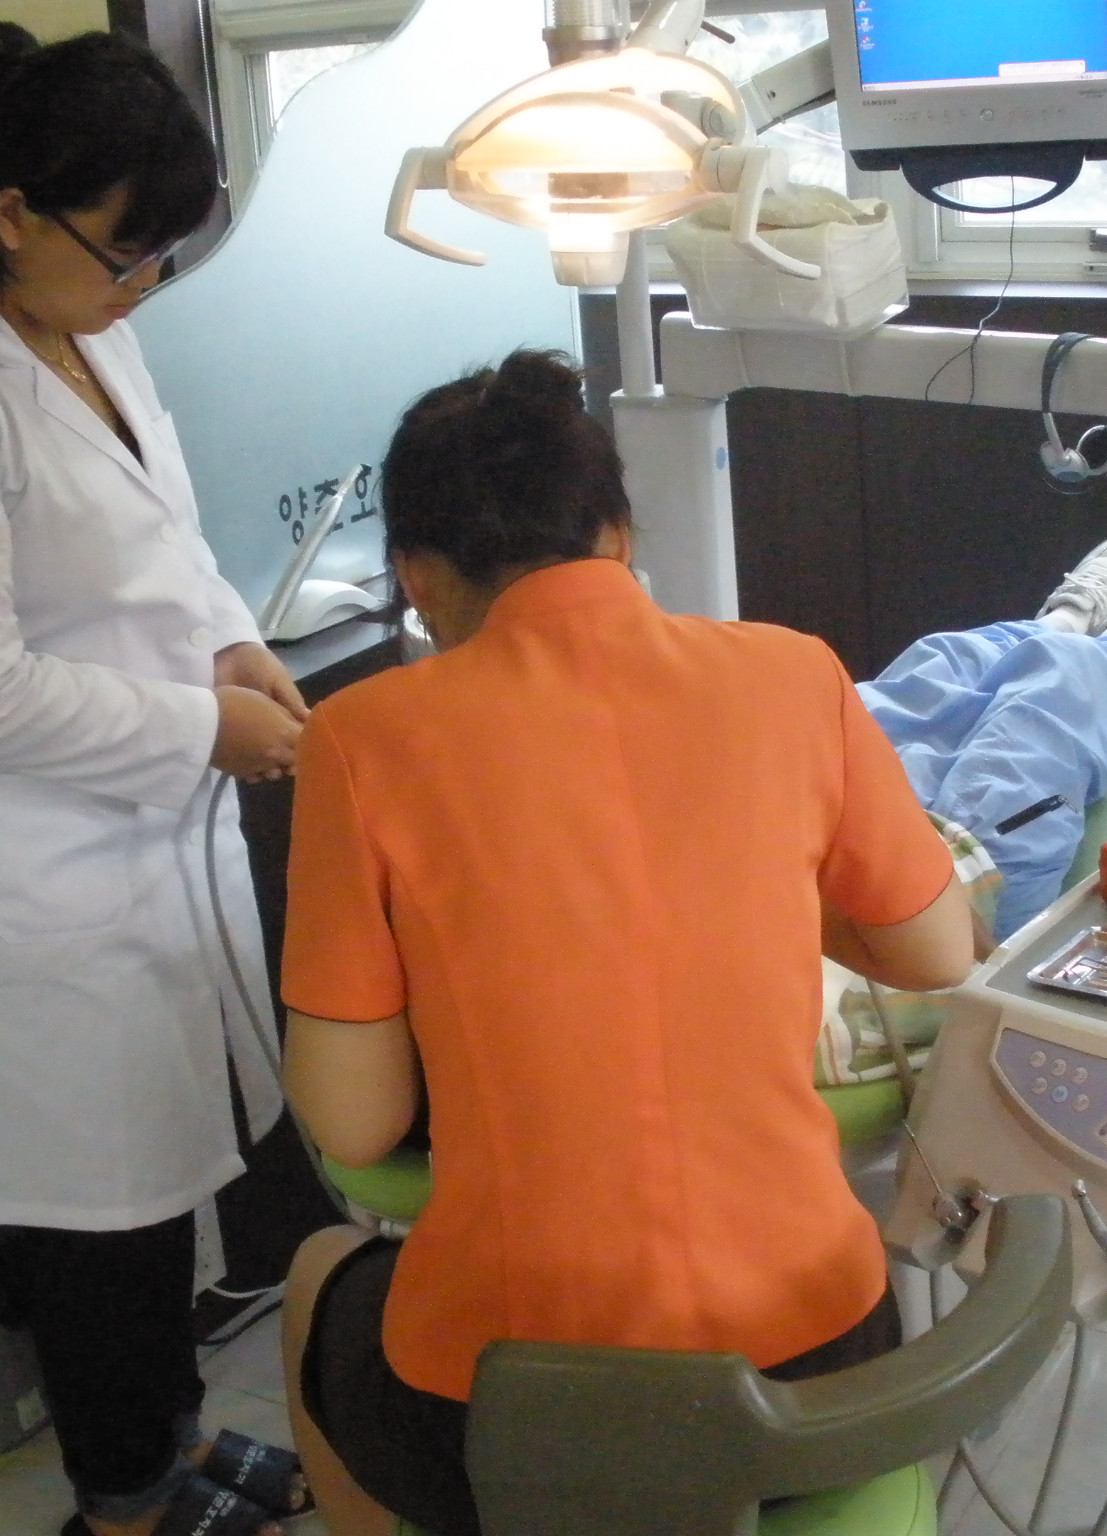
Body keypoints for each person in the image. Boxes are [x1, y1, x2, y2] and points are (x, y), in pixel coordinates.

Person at [276, 350, 977, 1536]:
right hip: (819, 1378)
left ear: (414, 576)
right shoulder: (793, 674)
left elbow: (352, 1126)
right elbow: (935, 952)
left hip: (525, 1410)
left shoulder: (359, 738)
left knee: (314, 1277)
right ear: (615, 533)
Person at [0, 22, 308, 1536]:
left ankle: (175, 1444)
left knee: (157, 1205)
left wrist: (227, 639)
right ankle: (125, 1502)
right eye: (124, 250)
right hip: (26, 882)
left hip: (137, 853)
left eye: (162, 258)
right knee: (99, 1232)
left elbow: (160, 534)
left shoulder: (84, 321)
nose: (141, 283)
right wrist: (195, 729)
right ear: (15, 212)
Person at [860, 535, 1107, 942]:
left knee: (940, 662)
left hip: (847, 826)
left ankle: (1057, 627)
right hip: (942, 897)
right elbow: (934, 960)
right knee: (1068, 686)